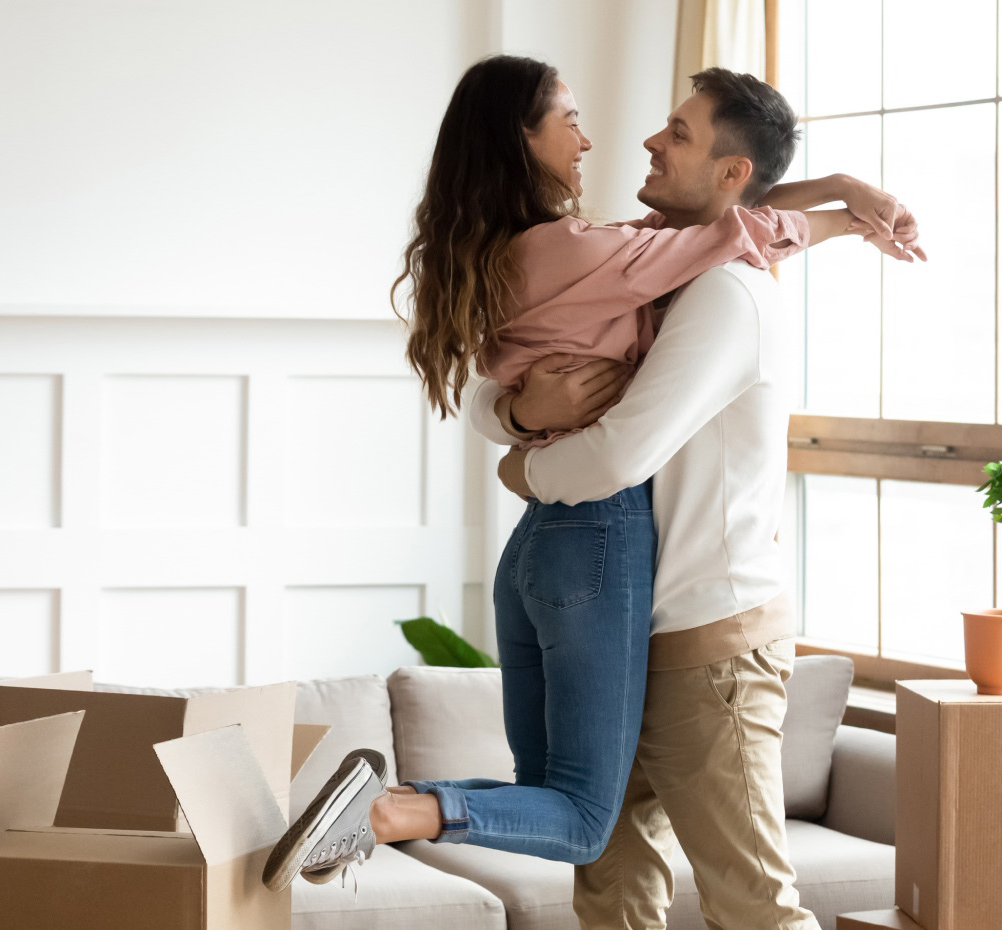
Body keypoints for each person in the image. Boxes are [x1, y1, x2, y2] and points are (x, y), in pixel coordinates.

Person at [263, 54, 918, 892]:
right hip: (597, 544)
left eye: (674, 131)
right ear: (519, 139)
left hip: (546, 556)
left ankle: (381, 805)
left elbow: (727, 220)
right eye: (567, 119)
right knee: (580, 823)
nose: (604, 138)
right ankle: (391, 810)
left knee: (582, 834)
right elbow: (732, 231)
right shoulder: (597, 255)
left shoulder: (568, 255)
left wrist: (518, 441)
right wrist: (851, 216)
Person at [475, 68, 923, 929]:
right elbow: (483, 383)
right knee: (609, 887)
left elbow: (615, 455)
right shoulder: (649, 265)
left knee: (750, 903)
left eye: (676, 132)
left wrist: (519, 470)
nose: (647, 140)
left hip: (708, 643)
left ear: (725, 173)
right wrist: (514, 410)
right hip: (625, 628)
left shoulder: (727, 291)